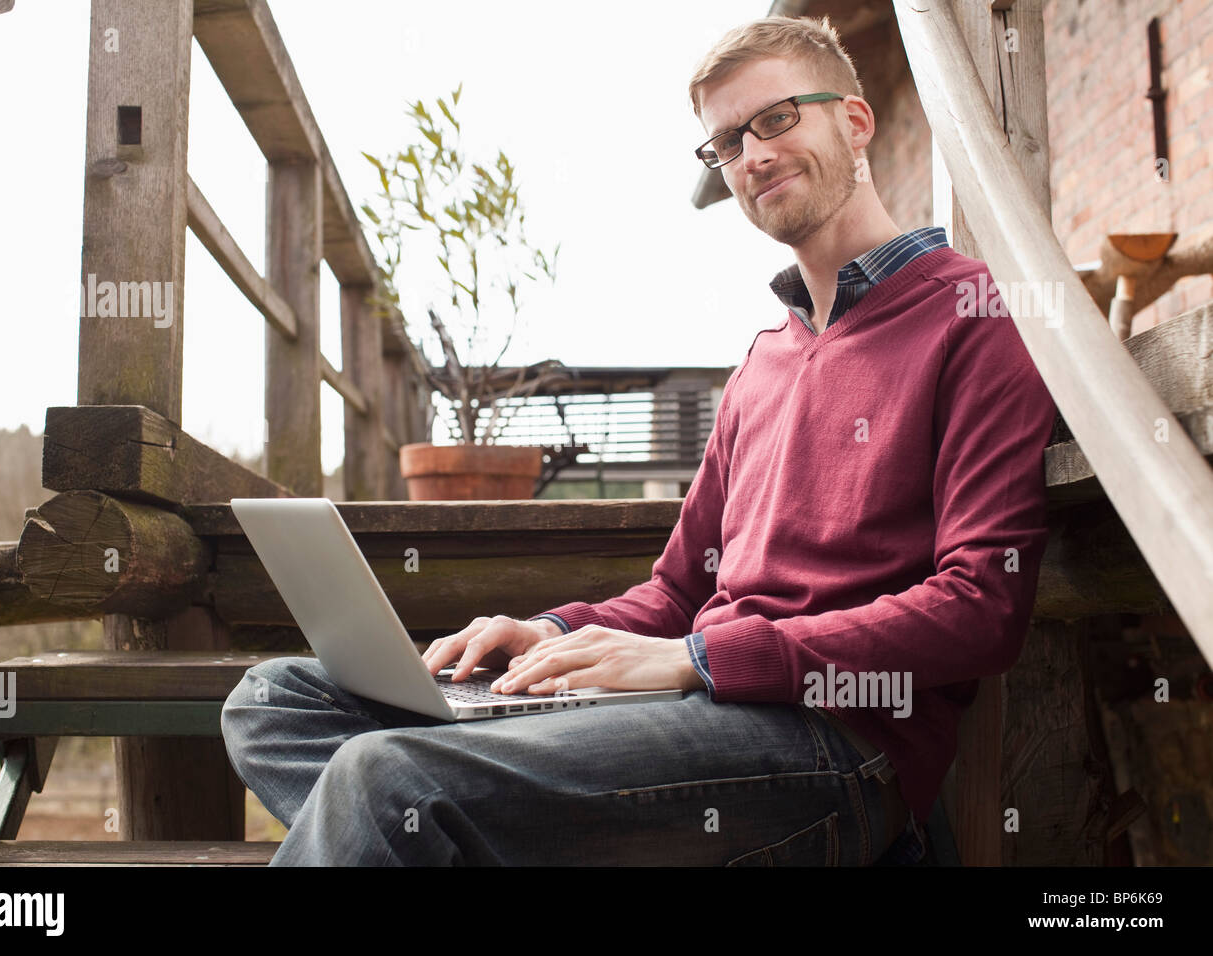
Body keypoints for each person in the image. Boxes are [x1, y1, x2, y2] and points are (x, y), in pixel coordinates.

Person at [220, 14, 1057, 866]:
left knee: (381, 780)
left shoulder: (974, 314)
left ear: (853, 120)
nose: (753, 157)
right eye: (726, 143)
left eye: (775, 119)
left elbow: (981, 608)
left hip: (832, 747)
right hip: (698, 715)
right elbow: (676, 590)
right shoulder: (764, 362)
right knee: (276, 700)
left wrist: (702, 659)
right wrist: (547, 630)